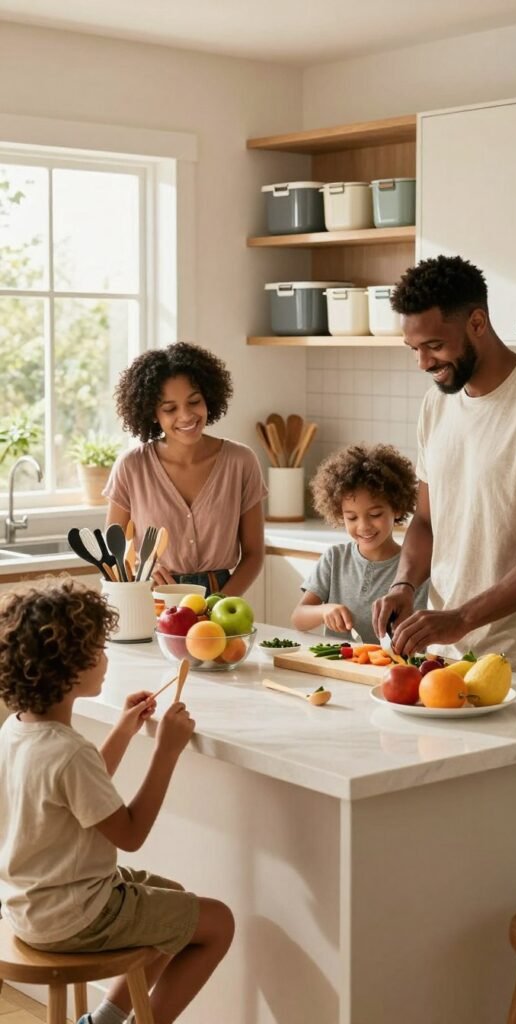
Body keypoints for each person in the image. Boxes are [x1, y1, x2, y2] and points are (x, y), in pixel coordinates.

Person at [0, 579, 234, 1024]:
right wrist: (166, 752)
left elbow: (81, 795)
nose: (106, 657)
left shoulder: (16, 731)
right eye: (99, 648)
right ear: (71, 667)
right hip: (76, 914)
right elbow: (130, 834)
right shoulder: (69, 751)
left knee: (174, 898)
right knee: (218, 922)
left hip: (30, 903)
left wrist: (124, 730)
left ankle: (103, 1020)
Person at [371, 255, 516, 681]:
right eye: (415, 349)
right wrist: (404, 585)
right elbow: (427, 520)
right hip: (446, 654)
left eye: (434, 345)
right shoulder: (438, 403)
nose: (424, 363)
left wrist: (461, 618)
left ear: (477, 323)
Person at [104, 342, 267, 595]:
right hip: (153, 600)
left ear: (208, 398)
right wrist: (138, 574)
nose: (186, 416)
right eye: (170, 408)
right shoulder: (131, 467)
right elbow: (113, 552)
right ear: (153, 413)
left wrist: (218, 604)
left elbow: (254, 554)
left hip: (222, 600)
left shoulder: (241, 462)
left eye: (194, 402)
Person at [291, 444, 428, 644]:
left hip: (390, 670)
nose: (363, 526)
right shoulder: (335, 558)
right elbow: (298, 618)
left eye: (375, 515)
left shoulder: (414, 568)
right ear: (339, 514)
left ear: (397, 508)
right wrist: (324, 611)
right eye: (352, 517)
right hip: (339, 666)